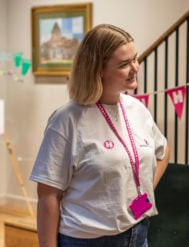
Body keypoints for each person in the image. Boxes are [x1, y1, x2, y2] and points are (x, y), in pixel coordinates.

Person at [29, 23, 170, 247]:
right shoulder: (67, 120)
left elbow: (162, 151)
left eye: (135, 58)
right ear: (98, 70)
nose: (135, 68)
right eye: (124, 64)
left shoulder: (137, 109)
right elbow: (48, 195)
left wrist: (144, 191)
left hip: (138, 233)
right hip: (88, 240)